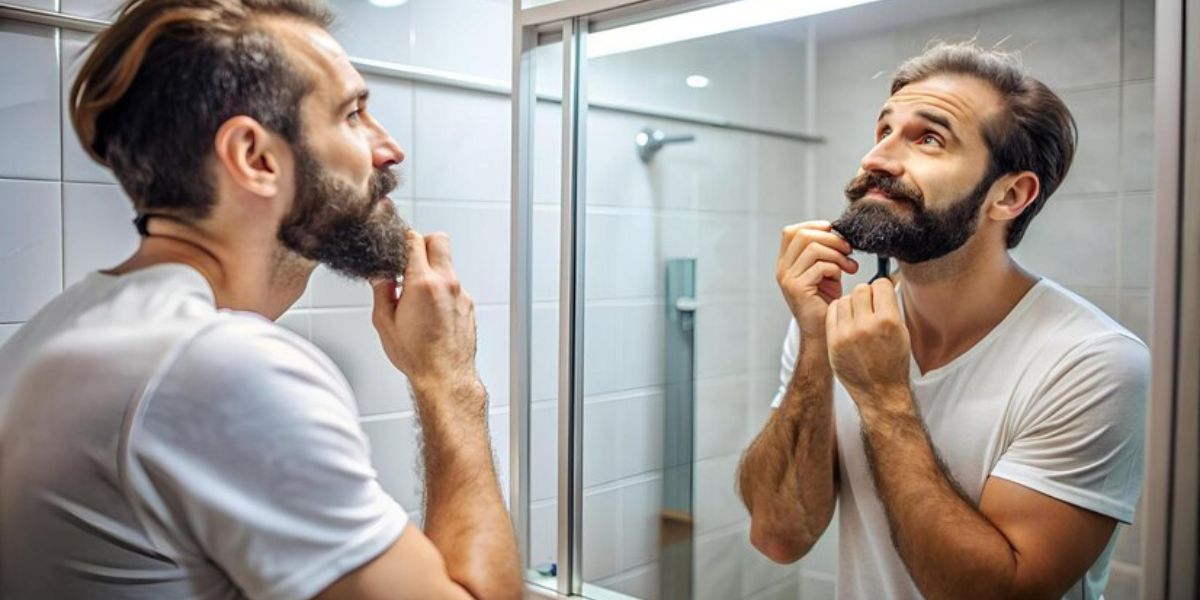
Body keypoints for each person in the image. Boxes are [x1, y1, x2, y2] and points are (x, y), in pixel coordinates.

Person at [0, 0, 521, 598]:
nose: (389, 149)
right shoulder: (216, 368)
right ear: (254, 158)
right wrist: (448, 378)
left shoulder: (61, 327)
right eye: (353, 114)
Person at [737, 42, 1147, 600]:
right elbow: (778, 536)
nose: (876, 159)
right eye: (883, 130)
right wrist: (814, 340)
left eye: (928, 138)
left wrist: (884, 399)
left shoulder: (1092, 361)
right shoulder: (837, 321)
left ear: (1009, 194)